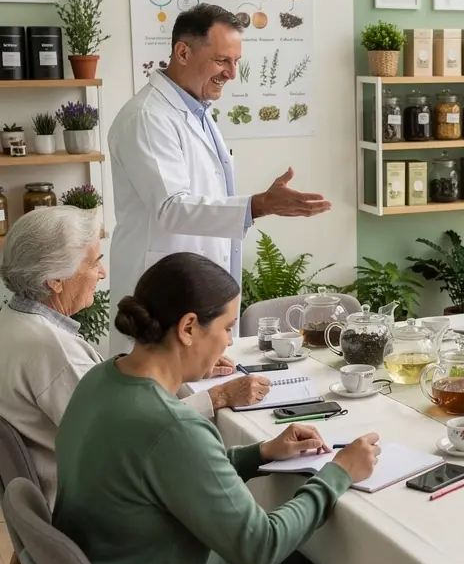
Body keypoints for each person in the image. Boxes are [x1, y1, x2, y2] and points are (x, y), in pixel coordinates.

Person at [54, 252, 388, 564]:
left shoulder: (102, 382)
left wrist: (261, 453)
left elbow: (162, 480)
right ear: (189, 327)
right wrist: (337, 475)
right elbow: (260, 545)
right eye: (228, 327)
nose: (230, 342)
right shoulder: (172, 425)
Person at [0, 208, 269, 507]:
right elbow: (131, 436)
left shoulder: (13, 321)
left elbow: (117, 404)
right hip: (90, 508)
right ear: (55, 280)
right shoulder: (51, 350)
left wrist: (179, 364)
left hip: (56, 497)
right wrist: (218, 397)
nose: (101, 273)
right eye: (93, 263)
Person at [107, 3, 331, 354]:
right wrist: (257, 205)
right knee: (160, 399)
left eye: (236, 62)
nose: (231, 73)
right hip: (162, 295)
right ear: (183, 52)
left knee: (204, 396)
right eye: (222, 60)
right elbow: (171, 207)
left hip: (194, 290)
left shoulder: (197, 113)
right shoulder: (147, 117)